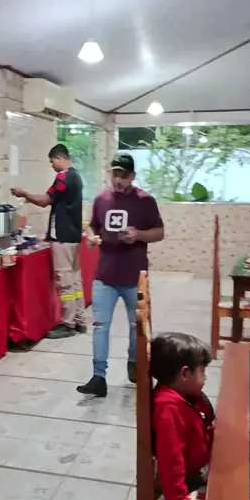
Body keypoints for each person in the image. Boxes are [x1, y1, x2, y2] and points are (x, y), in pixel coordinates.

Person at [77, 154, 164, 397]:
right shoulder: (101, 199)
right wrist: (91, 237)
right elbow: (92, 225)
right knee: (100, 326)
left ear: (132, 176)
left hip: (134, 276)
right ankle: (98, 377)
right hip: (104, 276)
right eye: (115, 175)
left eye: (124, 176)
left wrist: (138, 235)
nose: (118, 180)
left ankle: (134, 363)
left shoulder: (145, 201)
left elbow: (159, 232)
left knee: (137, 325)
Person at [11, 143, 85, 339]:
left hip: (62, 237)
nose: (52, 166)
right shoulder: (76, 176)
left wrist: (24, 194)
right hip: (74, 236)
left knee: (64, 281)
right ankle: (79, 320)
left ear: (60, 158)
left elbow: (45, 200)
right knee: (75, 280)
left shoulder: (63, 177)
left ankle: (68, 323)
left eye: (52, 162)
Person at [150, 332, 215, 500]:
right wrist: (178, 499)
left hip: (199, 467)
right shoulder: (168, 408)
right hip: (189, 479)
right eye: (202, 371)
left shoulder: (184, 395)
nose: (205, 377)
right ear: (185, 374)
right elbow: (170, 457)